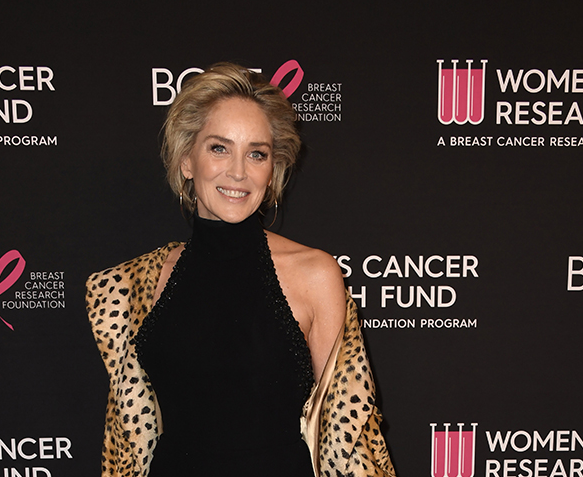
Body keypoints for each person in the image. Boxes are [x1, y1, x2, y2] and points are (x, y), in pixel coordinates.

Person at [86, 63, 395, 477]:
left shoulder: (315, 275)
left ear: (272, 170)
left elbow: (349, 439)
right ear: (186, 161)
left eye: (256, 154)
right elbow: (126, 440)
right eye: (219, 148)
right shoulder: (135, 284)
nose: (238, 172)